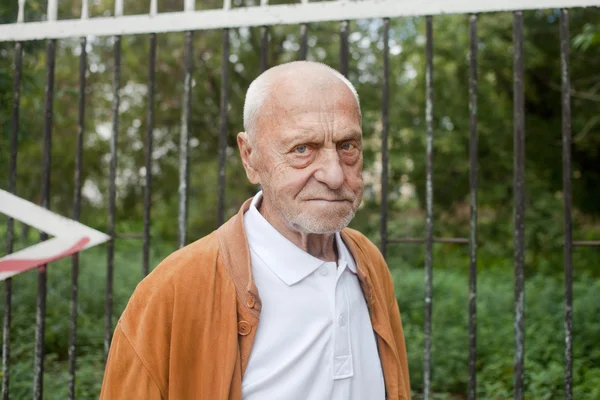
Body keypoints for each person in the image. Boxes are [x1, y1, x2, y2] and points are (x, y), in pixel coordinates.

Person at [100, 61, 410, 400]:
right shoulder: (173, 290)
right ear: (250, 157)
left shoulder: (366, 263)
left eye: (347, 146)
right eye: (302, 149)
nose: (335, 176)